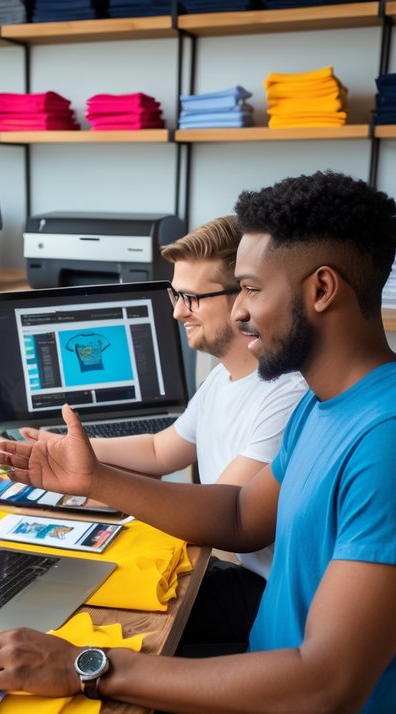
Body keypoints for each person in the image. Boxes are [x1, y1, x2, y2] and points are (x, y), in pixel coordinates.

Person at [0, 170, 396, 714]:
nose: (236, 313)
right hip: (273, 697)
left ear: (321, 289)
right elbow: (238, 516)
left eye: (252, 290)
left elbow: (326, 685)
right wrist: (95, 480)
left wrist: (88, 668)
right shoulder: (327, 405)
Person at [90, 215, 307, 652]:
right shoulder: (222, 378)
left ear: (243, 295)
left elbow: (224, 516)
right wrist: (67, 448)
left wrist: (96, 482)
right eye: (175, 294)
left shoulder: (288, 393)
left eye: (190, 297)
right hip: (244, 580)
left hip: (271, 604)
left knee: (111, 625)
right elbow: (159, 449)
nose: (176, 311)